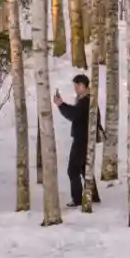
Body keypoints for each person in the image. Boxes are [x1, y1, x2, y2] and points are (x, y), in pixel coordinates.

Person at [53, 74, 96, 208]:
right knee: (84, 169)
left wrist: (61, 105)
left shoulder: (86, 101)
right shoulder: (86, 100)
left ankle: (78, 199)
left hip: (82, 139)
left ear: (82, 86)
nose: (75, 89)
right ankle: (93, 196)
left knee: (73, 170)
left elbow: (74, 115)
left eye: (76, 86)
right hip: (85, 138)